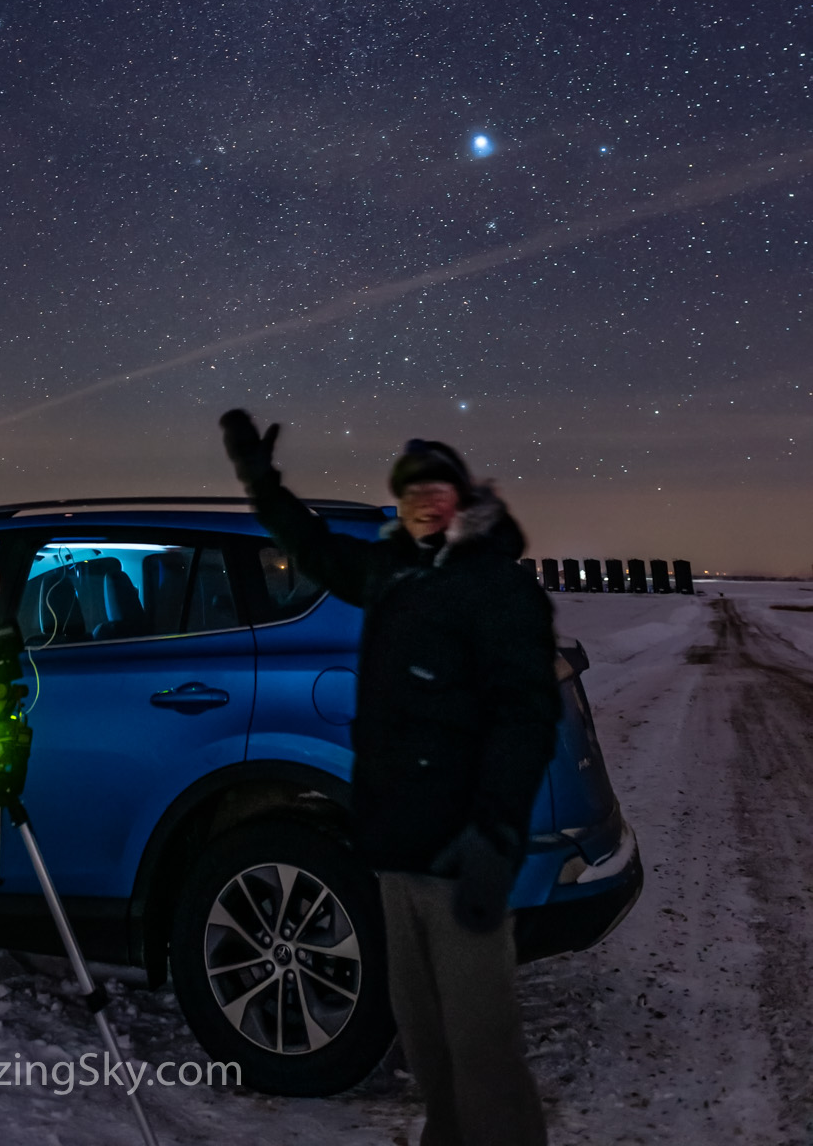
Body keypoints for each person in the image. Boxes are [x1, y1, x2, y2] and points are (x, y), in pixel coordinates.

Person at [219, 412, 560, 1146]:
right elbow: (309, 548)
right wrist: (260, 483)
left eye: (437, 488)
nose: (424, 502)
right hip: (396, 856)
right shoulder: (393, 572)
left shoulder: (495, 585)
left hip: (462, 853)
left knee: (482, 1055)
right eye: (409, 493)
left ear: (462, 496)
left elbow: (524, 718)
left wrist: (495, 834)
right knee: (427, 1048)